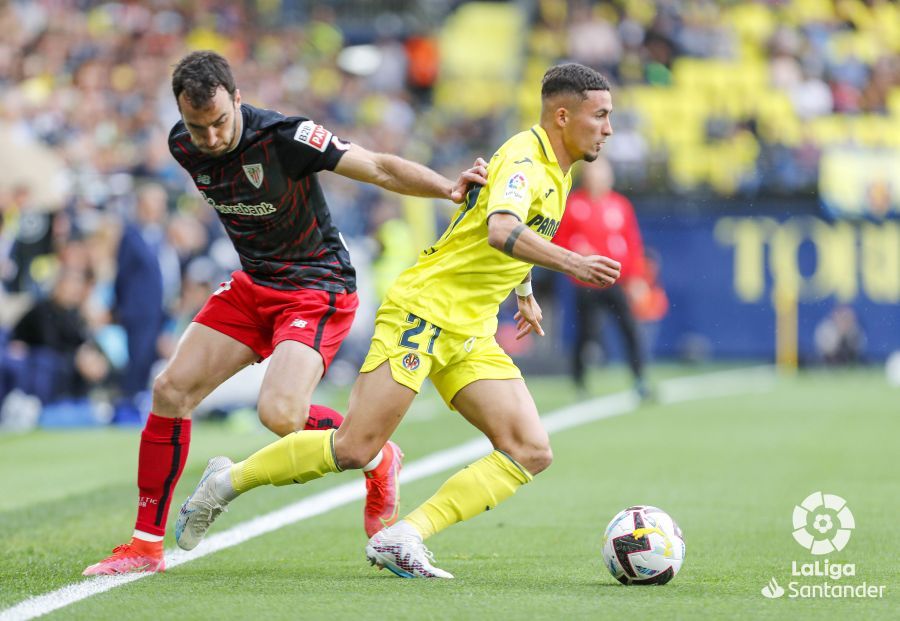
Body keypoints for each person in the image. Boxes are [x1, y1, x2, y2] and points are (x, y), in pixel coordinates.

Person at [175, 63, 621, 579]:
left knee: (530, 450)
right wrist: (574, 263)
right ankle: (225, 483)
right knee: (355, 447)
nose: (608, 128)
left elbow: (493, 227)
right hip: (423, 312)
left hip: (469, 328)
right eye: (601, 116)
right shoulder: (526, 159)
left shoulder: (557, 166)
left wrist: (522, 290)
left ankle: (404, 535)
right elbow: (502, 229)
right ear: (563, 115)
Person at [83, 50, 487, 576]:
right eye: (196, 126)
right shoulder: (183, 146)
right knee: (170, 391)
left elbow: (380, 167)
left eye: (219, 123)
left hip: (316, 286)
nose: (208, 138)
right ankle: (143, 547)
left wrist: (447, 188)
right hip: (255, 284)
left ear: (238, 99)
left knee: (280, 416)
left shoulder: (286, 137)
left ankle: (376, 452)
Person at [553, 156, 651, 398]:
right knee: (585, 333)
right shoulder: (575, 204)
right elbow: (558, 240)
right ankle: (579, 381)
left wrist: (637, 277)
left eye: (603, 173)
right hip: (586, 282)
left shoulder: (620, 205)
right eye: (595, 172)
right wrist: (576, 255)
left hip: (617, 281)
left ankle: (639, 379)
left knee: (629, 330)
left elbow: (632, 243)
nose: (599, 177)